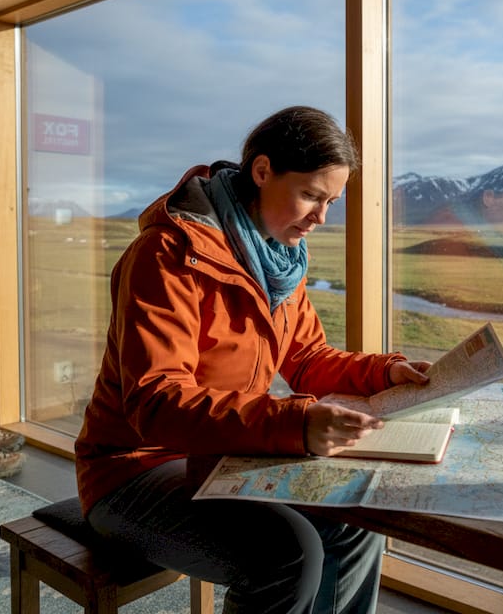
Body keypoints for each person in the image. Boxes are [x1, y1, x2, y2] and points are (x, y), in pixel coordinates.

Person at [75, 105, 433, 614]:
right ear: (262, 172)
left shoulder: (276, 262)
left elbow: (307, 358)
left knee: (354, 521)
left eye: (331, 201)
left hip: (225, 454)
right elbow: (155, 402)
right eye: (311, 195)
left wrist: (385, 371)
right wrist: (295, 421)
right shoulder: (166, 255)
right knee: (287, 555)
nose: (321, 218)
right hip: (132, 468)